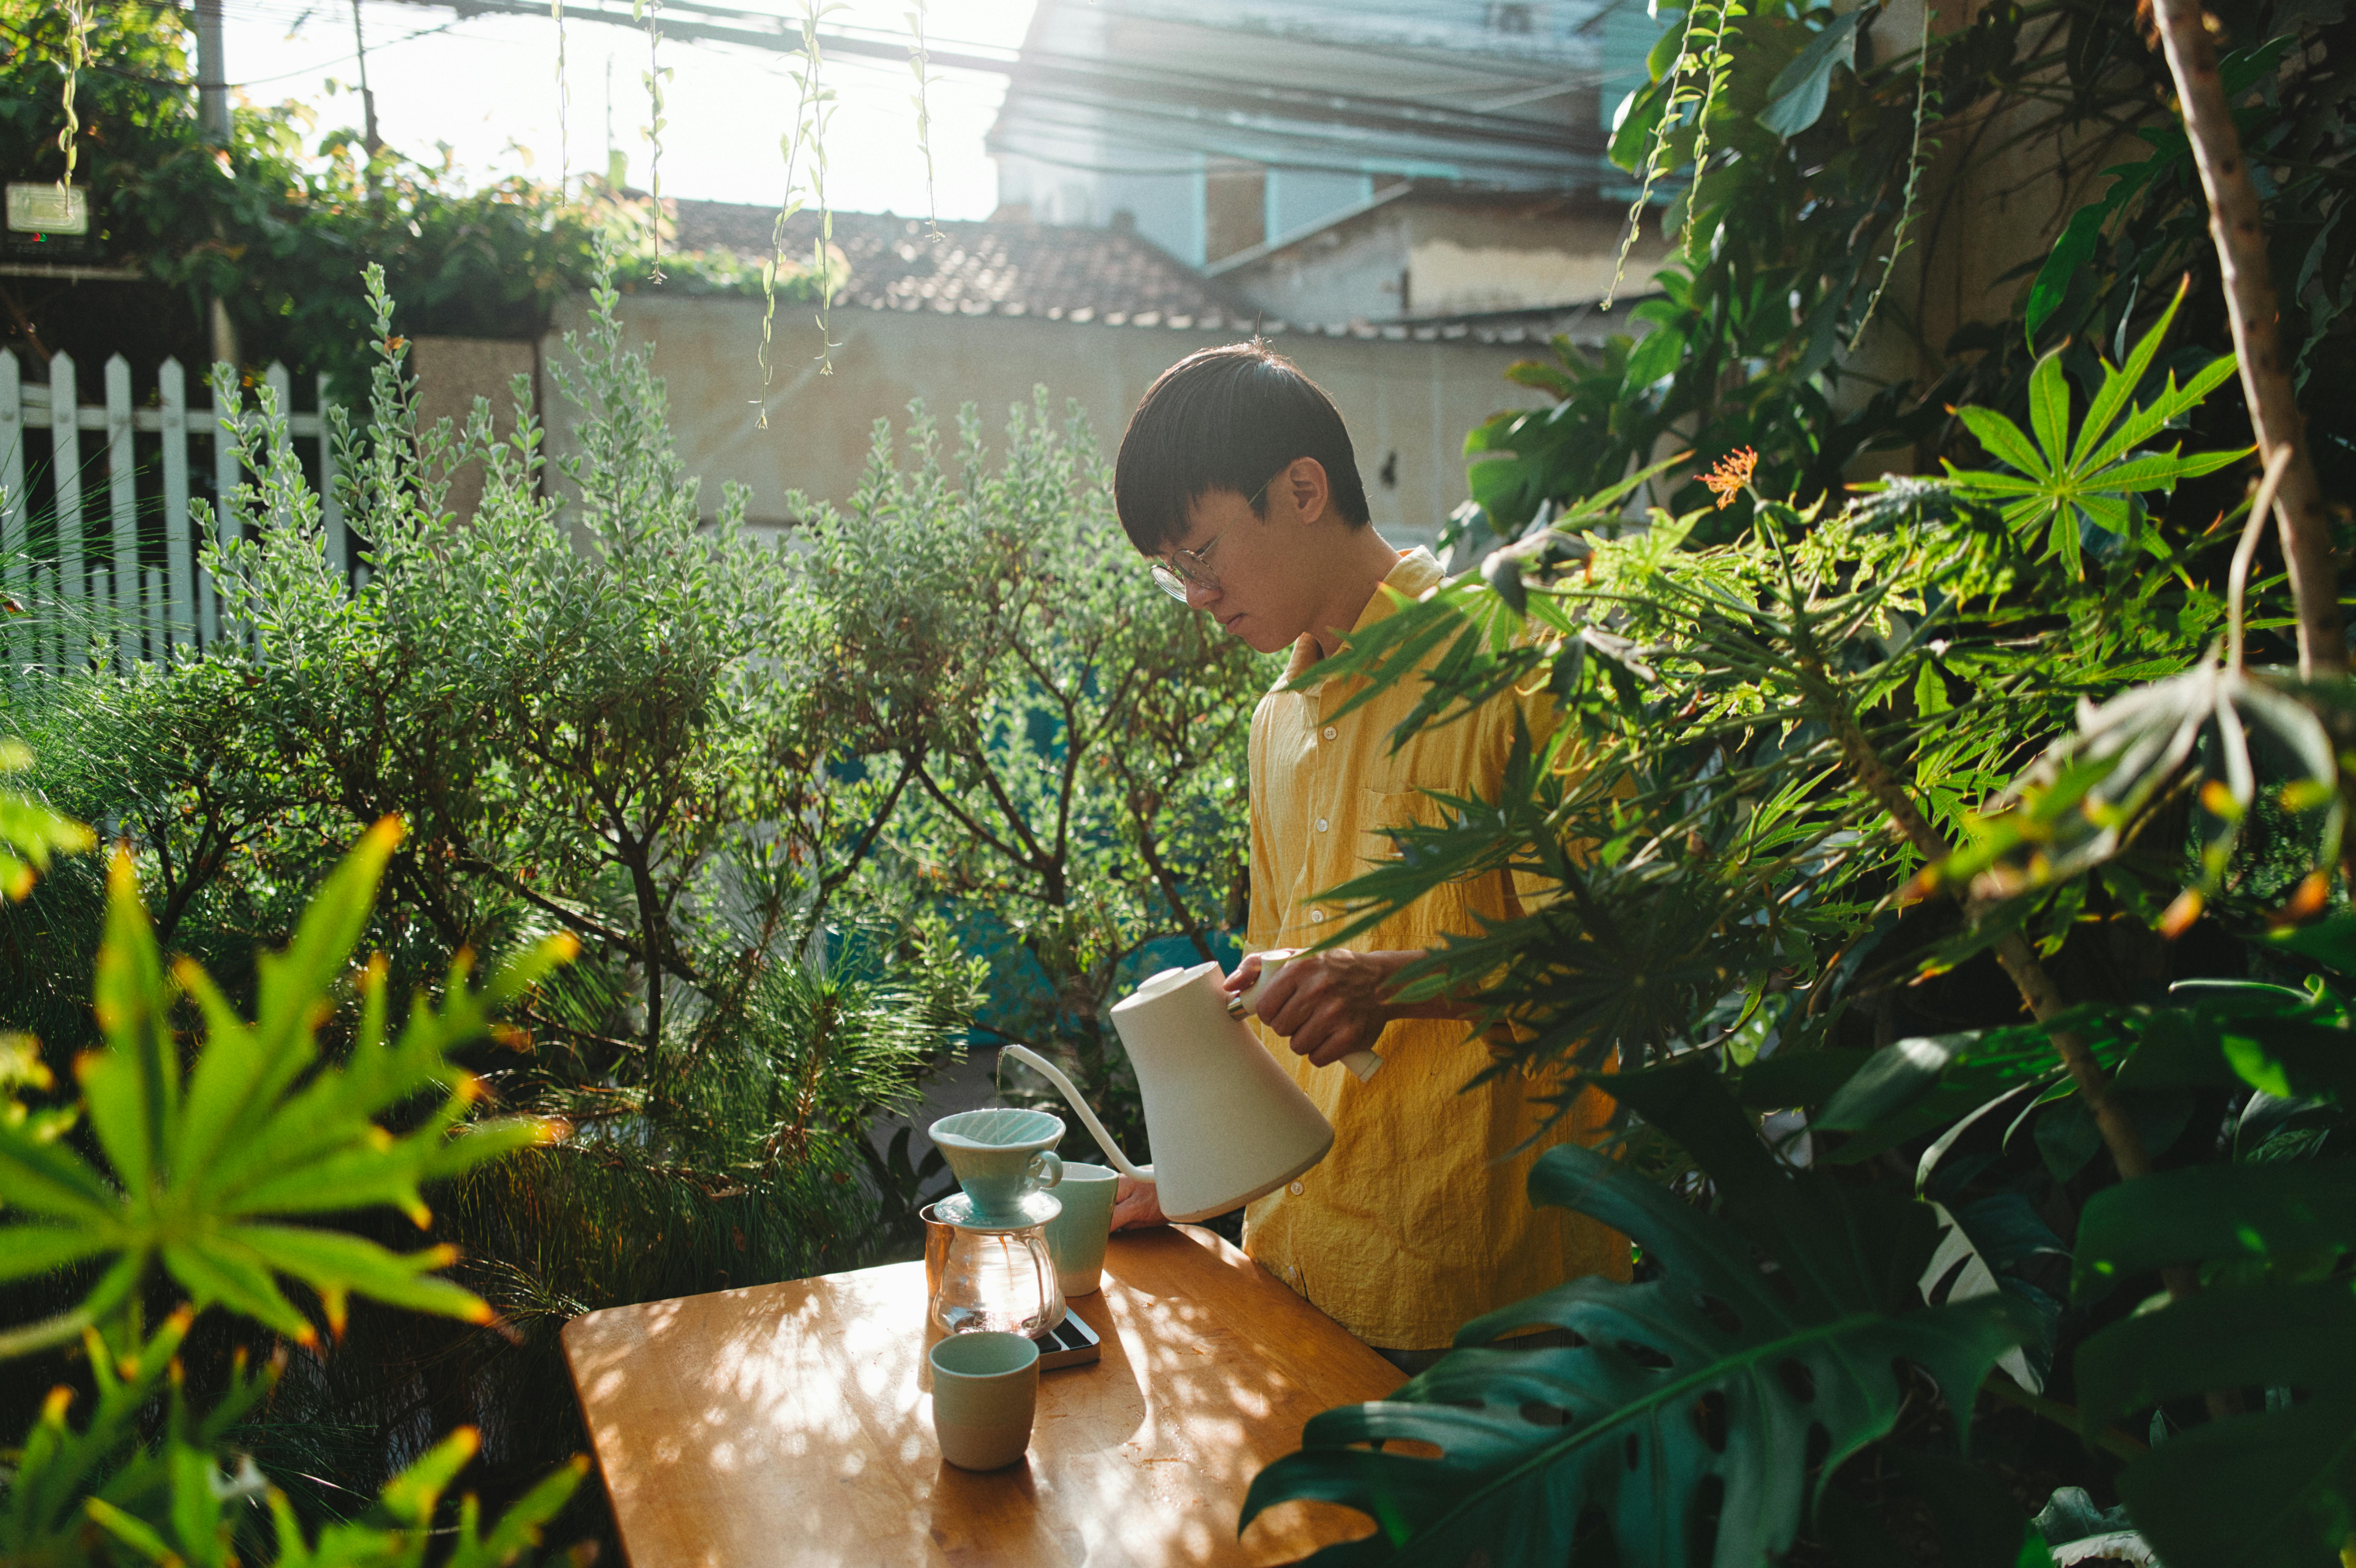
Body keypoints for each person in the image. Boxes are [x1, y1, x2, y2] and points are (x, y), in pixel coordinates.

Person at [1103, 341, 1626, 1365]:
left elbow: (1608, 963)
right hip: (1292, 1267)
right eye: (1175, 574)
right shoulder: (1276, 721)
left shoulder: (1511, 662)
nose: (1198, 595)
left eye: (1200, 553)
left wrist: (1393, 983)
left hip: (1476, 1295)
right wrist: (1196, 1178)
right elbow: (1281, 1008)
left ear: (1304, 490)